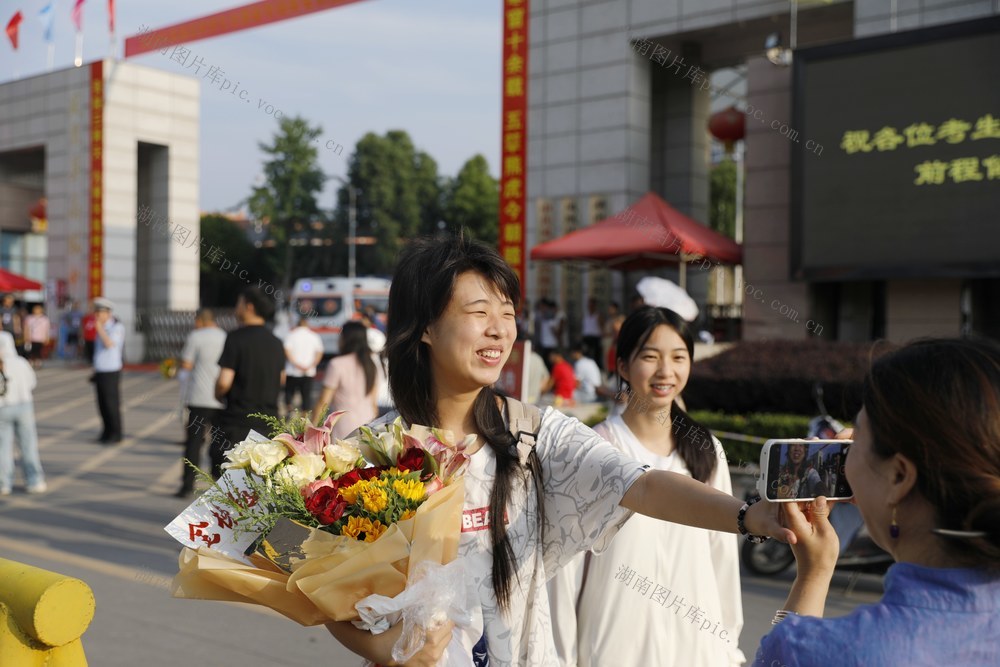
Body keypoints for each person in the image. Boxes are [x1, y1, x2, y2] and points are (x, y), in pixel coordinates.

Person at [323, 235, 790, 666]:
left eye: (508, 313)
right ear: (426, 326)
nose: (499, 331)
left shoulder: (534, 436)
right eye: (479, 312)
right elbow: (319, 579)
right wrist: (383, 648)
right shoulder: (370, 454)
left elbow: (644, 486)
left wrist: (749, 516)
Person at [756, 337, 1000, 666]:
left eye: (858, 436)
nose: (845, 450)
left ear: (899, 476)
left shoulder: (808, 650)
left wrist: (813, 575)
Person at [549, 307, 743, 666]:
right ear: (623, 366)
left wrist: (728, 647)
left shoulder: (706, 450)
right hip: (614, 650)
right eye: (650, 357)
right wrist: (561, 658)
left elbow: (723, 557)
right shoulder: (593, 452)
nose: (666, 371)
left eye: (678, 357)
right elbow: (565, 573)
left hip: (698, 651)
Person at [213, 287, 285, 478]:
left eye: (239, 303)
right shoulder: (276, 342)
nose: (236, 308)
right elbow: (282, 379)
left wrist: (218, 394)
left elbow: (224, 381)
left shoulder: (235, 338)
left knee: (229, 484)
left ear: (249, 306)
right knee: (260, 484)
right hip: (269, 426)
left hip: (238, 423)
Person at [175, 308, 227, 498]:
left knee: (194, 443)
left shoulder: (196, 336)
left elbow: (186, 364)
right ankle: (218, 482)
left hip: (199, 398)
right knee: (219, 441)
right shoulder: (225, 337)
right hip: (221, 398)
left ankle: (187, 485)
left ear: (200, 320)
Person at [311, 321, 378, 439]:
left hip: (345, 428)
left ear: (346, 339)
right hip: (369, 425)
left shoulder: (336, 364)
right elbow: (373, 402)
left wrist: (311, 430)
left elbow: (323, 402)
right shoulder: (370, 365)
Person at [0, 332, 46, 495]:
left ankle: (4, 483)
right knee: (28, 445)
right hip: (24, 406)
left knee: (3, 448)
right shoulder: (20, 362)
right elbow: (32, 383)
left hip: (2, 409)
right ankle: (35, 480)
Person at [91, 298, 125, 444]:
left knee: (111, 404)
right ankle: (106, 432)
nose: (97, 316)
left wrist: (99, 329)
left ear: (108, 313)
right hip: (100, 370)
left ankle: (116, 434)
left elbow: (109, 344)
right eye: (96, 313)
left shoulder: (116, 327)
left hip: (111, 371)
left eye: (100, 313)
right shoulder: (103, 327)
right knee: (102, 404)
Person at [283, 316, 325, 413]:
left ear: (297, 324)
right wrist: (312, 365)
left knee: (289, 392)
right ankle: (304, 416)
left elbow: (287, 351)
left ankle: (288, 411)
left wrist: (296, 364)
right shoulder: (314, 336)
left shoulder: (291, 335)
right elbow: (319, 352)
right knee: (306, 395)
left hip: (292, 371)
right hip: (308, 371)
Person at [23, 304, 51, 369]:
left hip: (40, 338)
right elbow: (26, 328)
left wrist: (47, 337)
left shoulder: (45, 319)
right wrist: (26, 336)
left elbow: (47, 329)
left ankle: (38, 362)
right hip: (31, 338)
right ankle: (31, 361)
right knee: (30, 351)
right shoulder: (29, 318)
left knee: (39, 351)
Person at [580, 297, 604, 370]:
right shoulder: (585, 315)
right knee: (586, 354)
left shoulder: (598, 315)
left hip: (595, 337)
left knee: (596, 355)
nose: (590, 306)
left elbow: (602, 326)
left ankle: (597, 369)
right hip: (586, 337)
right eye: (589, 305)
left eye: (592, 305)